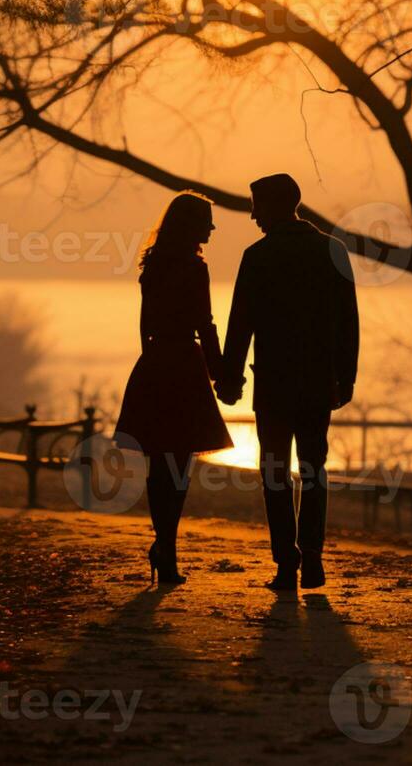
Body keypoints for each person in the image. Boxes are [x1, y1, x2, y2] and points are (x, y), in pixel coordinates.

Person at [217, 174, 359, 591]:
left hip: (275, 384)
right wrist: (345, 378)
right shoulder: (331, 250)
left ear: (274, 206)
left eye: (256, 205)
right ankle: (312, 558)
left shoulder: (258, 255)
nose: (252, 214)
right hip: (318, 382)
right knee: (315, 468)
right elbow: (348, 323)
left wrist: (230, 377)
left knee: (275, 471)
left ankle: (286, 563)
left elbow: (240, 322)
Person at [114, 191, 233, 585]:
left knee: (157, 464)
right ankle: (167, 548)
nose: (212, 229)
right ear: (191, 226)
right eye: (206, 222)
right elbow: (206, 324)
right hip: (184, 367)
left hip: (154, 364)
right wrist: (220, 373)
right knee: (178, 465)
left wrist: (149, 364)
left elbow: (144, 325)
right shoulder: (195, 269)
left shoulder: (153, 266)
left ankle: (164, 544)